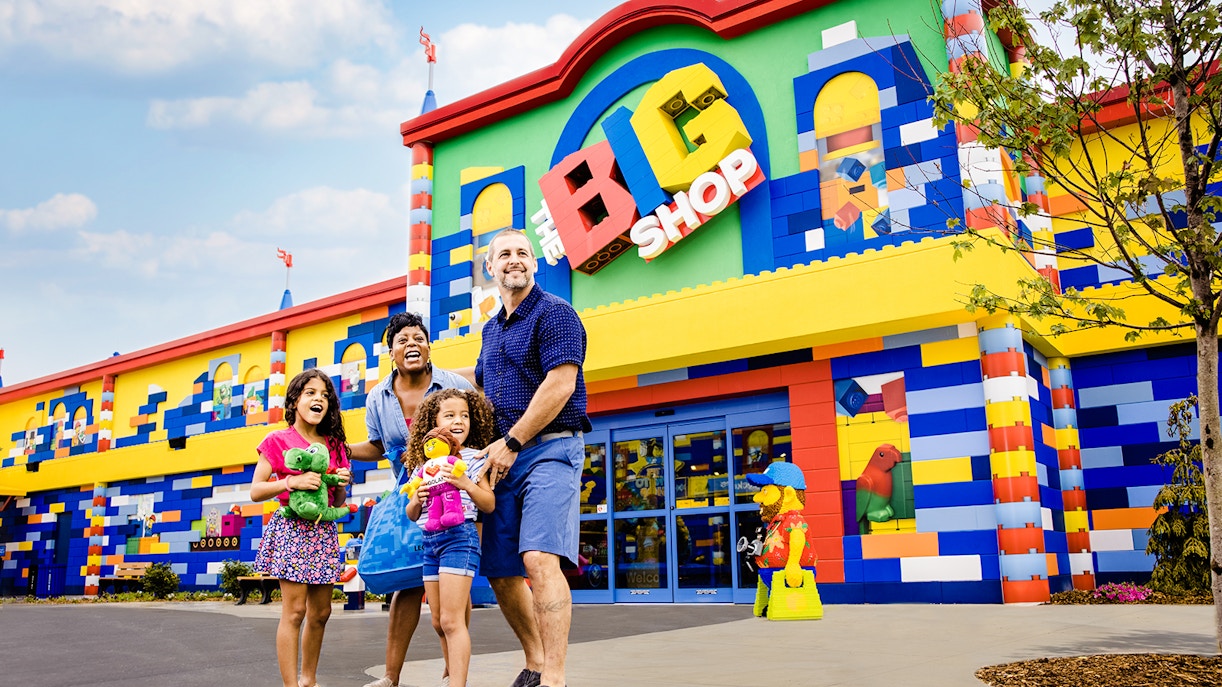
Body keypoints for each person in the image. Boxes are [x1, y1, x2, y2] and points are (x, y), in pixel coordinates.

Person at [474, 228, 592, 687]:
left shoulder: (556, 313)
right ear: (491, 268)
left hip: (550, 450)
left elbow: (560, 385)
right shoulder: (489, 331)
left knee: (540, 558)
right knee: (501, 571)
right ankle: (536, 662)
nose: (514, 260)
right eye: (504, 254)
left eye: (523, 252)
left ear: (535, 263)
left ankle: (556, 678)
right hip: (502, 460)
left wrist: (514, 441)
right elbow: (484, 392)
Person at [350, 311, 475, 687]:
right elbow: (377, 446)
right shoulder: (378, 397)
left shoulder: (451, 383)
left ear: (429, 346)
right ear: (391, 352)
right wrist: (340, 449)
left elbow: (474, 431)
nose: (411, 344)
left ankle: (454, 670)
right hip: (411, 497)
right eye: (402, 340)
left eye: (418, 338)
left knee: (454, 585)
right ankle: (391, 676)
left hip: (453, 497)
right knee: (406, 586)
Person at [249, 368, 354, 687]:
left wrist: (341, 483)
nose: (318, 398)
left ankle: (309, 679)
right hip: (292, 530)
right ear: (294, 400)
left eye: (324, 394)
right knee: (294, 612)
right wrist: (290, 481)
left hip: (323, 532)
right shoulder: (277, 440)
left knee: (321, 612)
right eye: (310, 392)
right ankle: (291, 685)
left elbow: (337, 498)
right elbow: (255, 490)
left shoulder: (334, 444)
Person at [403, 388, 497, 687]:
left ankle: (457, 683)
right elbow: (411, 513)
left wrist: (465, 482)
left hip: (460, 538)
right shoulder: (424, 464)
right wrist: (416, 499)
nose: (459, 421)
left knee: (451, 621)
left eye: (465, 415)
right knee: (437, 620)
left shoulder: (472, 457)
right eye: (450, 415)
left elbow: (488, 503)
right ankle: (450, 673)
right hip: (431, 542)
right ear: (433, 421)